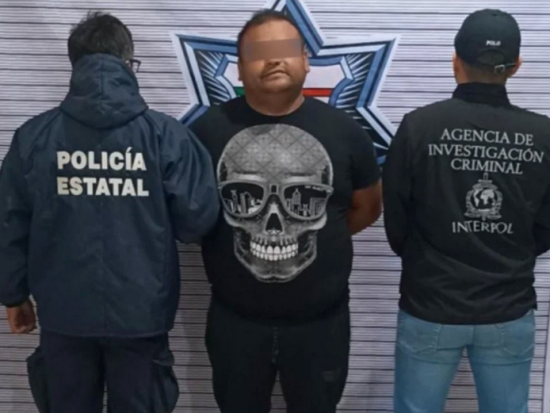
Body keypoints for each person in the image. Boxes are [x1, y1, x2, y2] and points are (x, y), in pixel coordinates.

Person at [0, 11, 220, 413]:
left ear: (74, 64)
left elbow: (10, 221)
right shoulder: (166, 136)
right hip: (142, 314)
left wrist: (13, 294)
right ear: (128, 63)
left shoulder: (34, 137)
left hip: (63, 313)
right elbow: (196, 221)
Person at [188, 9, 382, 413]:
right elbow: (193, 214)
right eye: (259, 52)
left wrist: (316, 230)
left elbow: (365, 208)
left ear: (306, 60)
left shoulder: (346, 132)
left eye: (285, 49)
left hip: (321, 326)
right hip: (235, 324)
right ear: (240, 69)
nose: (274, 59)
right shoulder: (205, 133)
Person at [383, 9, 550, 413]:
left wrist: (429, 261)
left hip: (431, 303)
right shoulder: (543, 135)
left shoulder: (418, 127)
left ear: (455, 60)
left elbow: (397, 223)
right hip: (507, 306)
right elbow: (546, 228)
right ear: (516, 66)